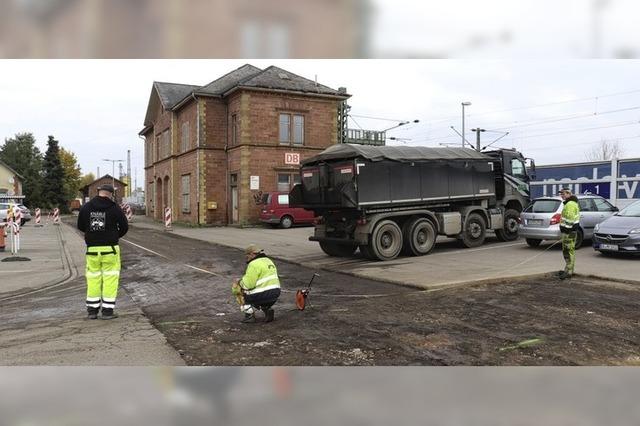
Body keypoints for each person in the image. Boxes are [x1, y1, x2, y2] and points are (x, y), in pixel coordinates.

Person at [77, 184, 128, 319]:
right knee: (110, 279)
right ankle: (107, 312)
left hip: (92, 250)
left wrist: (93, 235)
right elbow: (124, 226)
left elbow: (80, 226)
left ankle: (92, 311)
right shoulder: (114, 208)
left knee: (93, 279)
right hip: (110, 249)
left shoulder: (86, 207)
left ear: (99, 192)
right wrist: (114, 236)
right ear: (111, 194)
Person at [231, 244, 281, 323]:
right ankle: (267, 309)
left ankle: (249, 315)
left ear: (251, 254)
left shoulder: (253, 264)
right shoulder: (268, 261)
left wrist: (238, 282)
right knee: (258, 291)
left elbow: (248, 285)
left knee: (239, 290)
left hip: (263, 294)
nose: (246, 257)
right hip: (275, 293)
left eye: (247, 255)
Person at [558, 188, 580, 280]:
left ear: (568, 194)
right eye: (561, 194)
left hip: (569, 232)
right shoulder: (570, 203)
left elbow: (570, 219)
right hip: (569, 231)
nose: (561, 195)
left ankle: (569, 271)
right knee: (567, 250)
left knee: (568, 251)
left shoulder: (570, 204)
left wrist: (566, 230)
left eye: (563, 194)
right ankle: (567, 269)